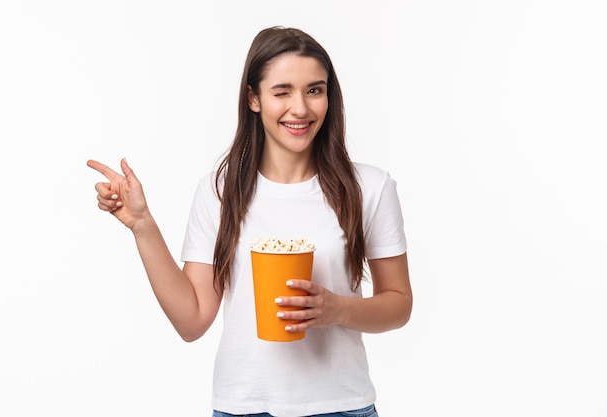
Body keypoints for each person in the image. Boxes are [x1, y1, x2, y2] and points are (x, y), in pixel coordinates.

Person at [87, 26, 412, 417]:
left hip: (341, 407)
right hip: (242, 407)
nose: (301, 108)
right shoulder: (220, 191)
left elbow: (399, 304)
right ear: (253, 99)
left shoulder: (369, 187)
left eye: (315, 90)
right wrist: (142, 225)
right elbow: (192, 321)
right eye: (282, 92)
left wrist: (336, 309)